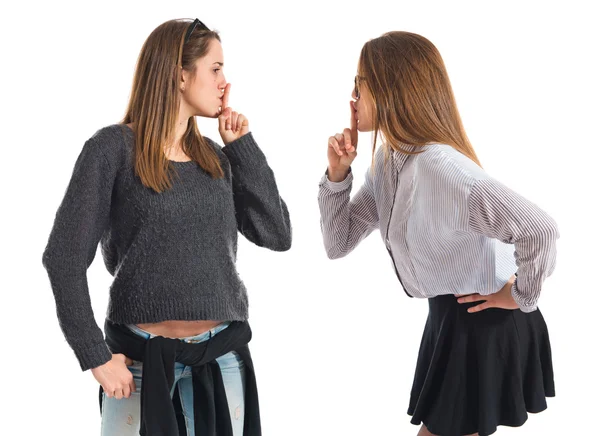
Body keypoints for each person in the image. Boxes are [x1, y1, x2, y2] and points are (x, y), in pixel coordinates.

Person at [42, 18, 291, 436]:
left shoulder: (218, 159)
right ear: (179, 75)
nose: (225, 83)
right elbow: (63, 258)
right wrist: (95, 356)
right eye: (215, 69)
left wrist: (241, 147)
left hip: (223, 357)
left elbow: (276, 233)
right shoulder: (111, 150)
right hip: (138, 365)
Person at [318, 31, 557, 436]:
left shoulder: (441, 167)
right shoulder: (389, 162)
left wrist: (520, 296)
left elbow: (540, 229)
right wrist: (338, 175)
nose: (352, 98)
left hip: (484, 323)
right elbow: (338, 242)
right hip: (450, 320)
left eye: (360, 84)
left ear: (390, 90)